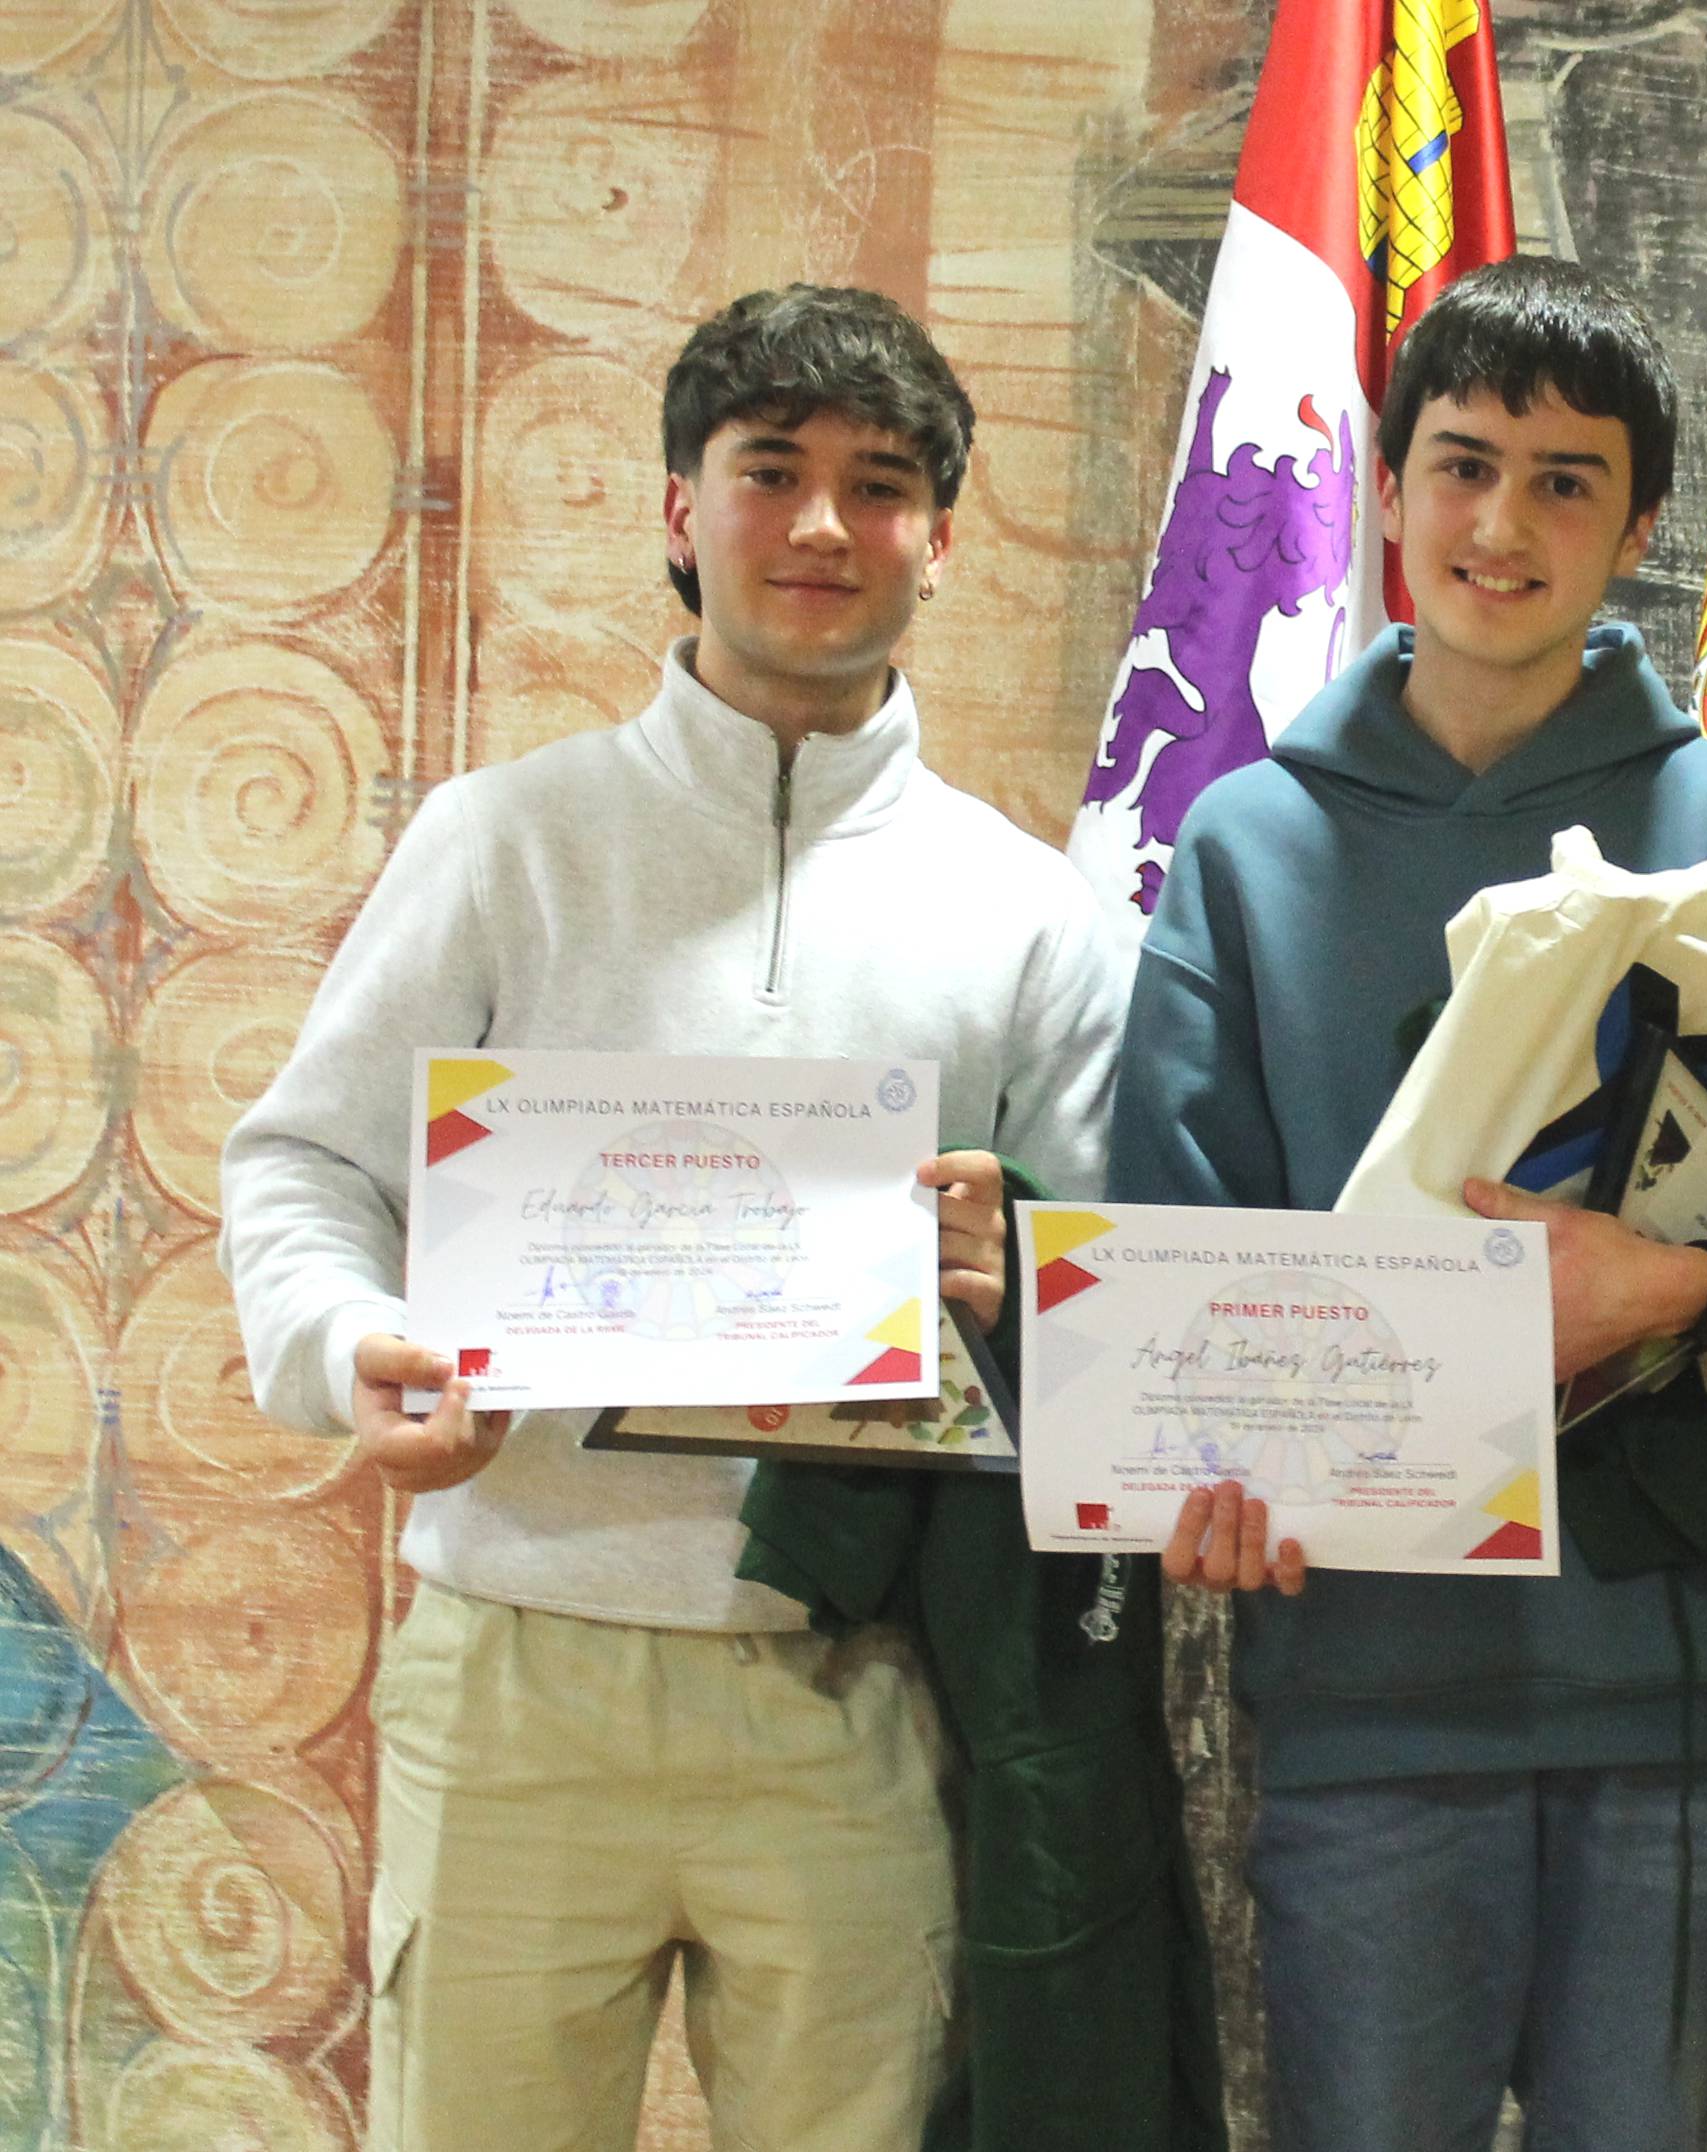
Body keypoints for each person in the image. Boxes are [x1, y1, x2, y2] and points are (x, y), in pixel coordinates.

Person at [1106, 256, 1707, 2152]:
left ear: (1640, 527)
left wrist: (1677, 1286)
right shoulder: (1247, 848)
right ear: (1390, 490)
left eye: (1563, 481)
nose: (1500, 524)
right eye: (1460, 464)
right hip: (1367, 1705)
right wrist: (1195, 1469)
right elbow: (1169, 1289)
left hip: (1674, 1704)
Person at [219, 285, 1132, 2152]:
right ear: (673, 508)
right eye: (768, 472)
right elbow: (303, 1168)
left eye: (879, 488)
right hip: (518, 1663)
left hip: (858, 1682)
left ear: (942, 542)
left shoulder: (1034, 912)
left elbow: (1115, 1296)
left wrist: (1020, 1264)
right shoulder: (503, 840)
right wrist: (354, 1346)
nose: (819, 527)